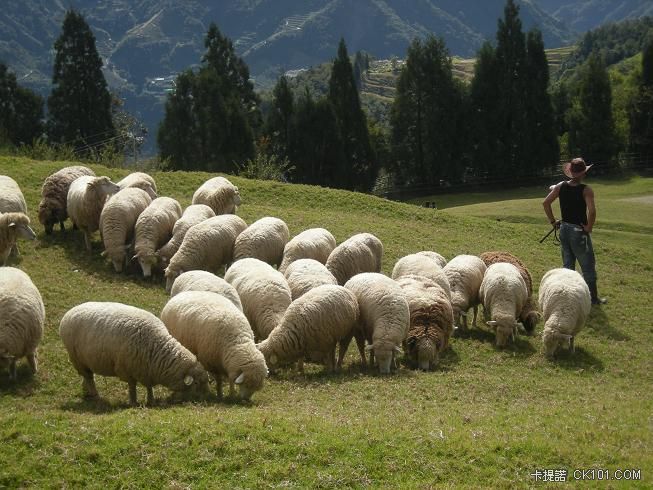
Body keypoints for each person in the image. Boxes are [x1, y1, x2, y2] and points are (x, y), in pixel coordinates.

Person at [542, 157, 607, 305]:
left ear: (571, 172)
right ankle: (593, 298)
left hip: (564, 229)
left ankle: (568, 297)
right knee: (588, 266)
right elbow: (592, 212)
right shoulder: (586, 190)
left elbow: (545, 203)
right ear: (583, 173)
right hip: (579, 232)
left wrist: (553, 221)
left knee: (568, 266)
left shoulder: (560, 186)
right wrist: (589, 227)